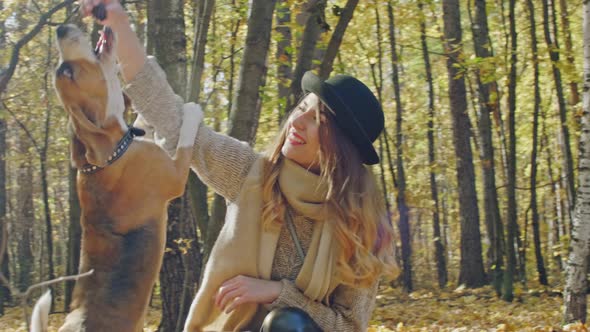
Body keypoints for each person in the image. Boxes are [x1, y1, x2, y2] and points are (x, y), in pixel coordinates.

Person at [81, 1, 400, 331]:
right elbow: (174, 122)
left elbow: (349, 325)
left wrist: (278, 293)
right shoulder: (253, 175)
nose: (298, 121)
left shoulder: (360, 227)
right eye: (301, 108)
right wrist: (120, 25)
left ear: (342, 147)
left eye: (318, 119)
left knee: (287, 323)